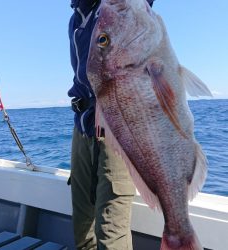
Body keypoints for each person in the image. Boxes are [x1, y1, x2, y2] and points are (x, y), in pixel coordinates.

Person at [68, 0, 155, 249]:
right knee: (82, 226)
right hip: (82, 125)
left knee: (110, 230)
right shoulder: (76, 17)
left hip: (117, 126)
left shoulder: (118, 6)